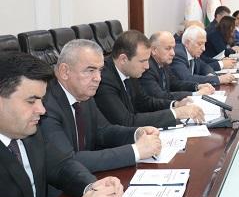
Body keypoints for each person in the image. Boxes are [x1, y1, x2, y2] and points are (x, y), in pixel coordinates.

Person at [0, 52, 123, 197]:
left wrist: (93, 188)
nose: (42, 110)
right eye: (31, 101)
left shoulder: (28, 131)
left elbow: (59, 165)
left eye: (41, 100)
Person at [42, 39, 162, 174]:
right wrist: (136, 151)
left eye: (100, 70)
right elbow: (69, 161)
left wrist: (136, 133)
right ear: (65, 71)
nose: (98, 78)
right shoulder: (46, 105)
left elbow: (103, 131)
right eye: (90, 70)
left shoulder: (83, 94)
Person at [95, 30, 204, 128]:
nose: (147, 66)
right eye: (142, 61)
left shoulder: (130, 70)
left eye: (147, 60)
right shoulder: (104, 80)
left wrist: (175, 105)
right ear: (123, 59)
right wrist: (177, 113)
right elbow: (127, 121)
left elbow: (144, 102)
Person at [140, 31, 215, 100]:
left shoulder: (163, 63)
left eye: (173, 48)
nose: (173, 53)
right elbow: (160, 96)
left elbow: (175, 83)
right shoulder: (147, 68)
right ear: (154, 50)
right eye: (168, 48)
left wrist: (197, 86)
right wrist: (195, 94)